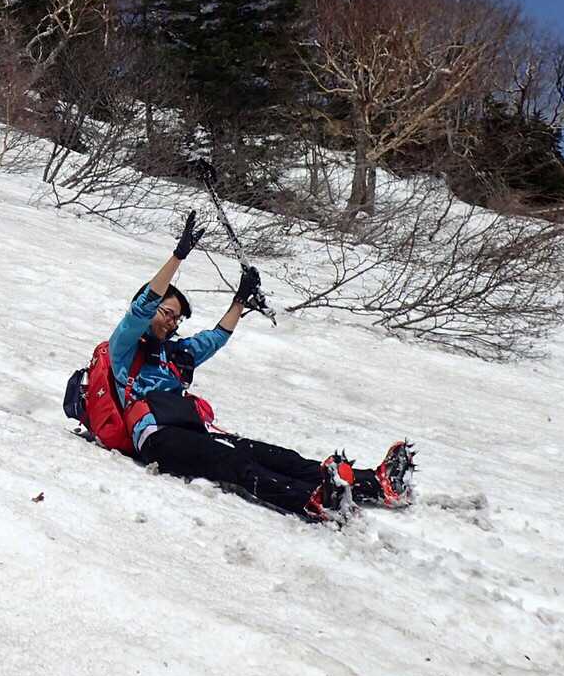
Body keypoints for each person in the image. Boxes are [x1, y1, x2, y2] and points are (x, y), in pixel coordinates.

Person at [64, 211, 415, 523]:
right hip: (156, 437)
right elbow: (142, 308)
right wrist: (178, 256)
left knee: (274, 456)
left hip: (191, 430)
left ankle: (375, 483)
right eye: (167, 313)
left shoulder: (174, 355)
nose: (171, 322)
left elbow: (215, 338)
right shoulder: (124, 349)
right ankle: (314, 500)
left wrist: (239, 300)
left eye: (177, 318)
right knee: (232, 462)